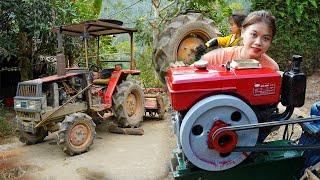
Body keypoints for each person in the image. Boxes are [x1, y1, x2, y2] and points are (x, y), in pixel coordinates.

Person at [201, 10, 279, 71]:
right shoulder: (216, 58)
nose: (258, 42)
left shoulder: (271, 68)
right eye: (254, 35)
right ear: (243, 32)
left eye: (266, 38)